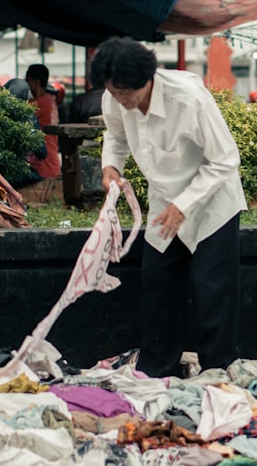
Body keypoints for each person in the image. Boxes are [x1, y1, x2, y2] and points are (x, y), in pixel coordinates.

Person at [91, 36, 247, 378]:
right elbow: (115, 137)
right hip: (164, 204)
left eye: (126, 93)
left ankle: (216, 372)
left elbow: (225, 160)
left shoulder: (187, 99)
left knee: (212, 290)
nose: (121, 100)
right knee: (157, 287)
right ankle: (157, 371)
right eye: (114, 93)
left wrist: (186, 204)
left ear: (147, 78)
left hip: (211, 203)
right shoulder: (114, 97)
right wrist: (110, 167)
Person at [24, 65, 61, 181]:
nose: (28, 86)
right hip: (53, 162)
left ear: (36, 82)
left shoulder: (35, 104)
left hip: (43, 166)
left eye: (28, 81)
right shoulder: (50, 100)